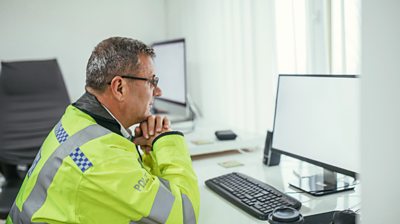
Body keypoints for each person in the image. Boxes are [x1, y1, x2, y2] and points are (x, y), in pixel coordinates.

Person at [7, 37, 200, 224]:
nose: (158, 92)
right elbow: (184, 215)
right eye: (152, 81)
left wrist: (149, 152)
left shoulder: (76, 118)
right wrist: (166, 140)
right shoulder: (105, 161)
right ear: (119, 87)